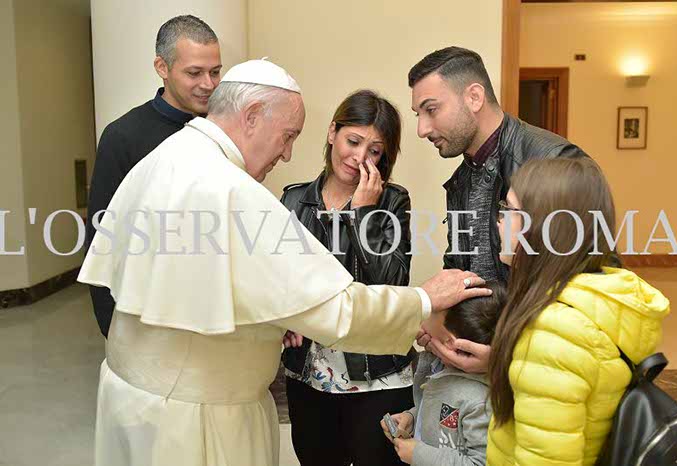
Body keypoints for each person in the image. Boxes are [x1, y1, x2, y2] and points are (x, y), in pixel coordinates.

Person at [78, 58, 492, 466]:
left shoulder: (168, 156)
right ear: (252, 116)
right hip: (192, 414)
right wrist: (423, 300)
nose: (289, 153)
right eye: (287, 135)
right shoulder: (233, 191)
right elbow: (335, 307)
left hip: (139, 399)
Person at [408, 46, 588, 372]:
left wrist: (509, 355)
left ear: (474, 97)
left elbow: (582, 291)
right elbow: (462, 269)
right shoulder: (462, 179)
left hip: (542, 368)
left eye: (431, 110)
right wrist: (440, 320)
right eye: (418, 115)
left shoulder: (554, 162)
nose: (422, 129)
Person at [486, 157, 670, 465]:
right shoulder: (601, 300)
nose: (499, 221)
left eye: (509, 209)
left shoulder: (553, 332)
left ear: (547, 228)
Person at [280, 90, 414, 466]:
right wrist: (285, 318)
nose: (359, 157)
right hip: (309, 374)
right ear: (332, 133)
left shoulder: (392, 202)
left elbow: (394, 285)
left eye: (374, 150)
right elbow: (278, 282)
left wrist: (364, 214)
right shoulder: (294, 201)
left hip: (378, 374)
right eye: (353, 141)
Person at [86, 14, 222, 337]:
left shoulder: (225, 129)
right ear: (162, 67)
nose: (208, 84)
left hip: (213, 310)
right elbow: (101, 238)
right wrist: (113, 329)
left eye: (215, 72)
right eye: (194, 73)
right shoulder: (123, 136)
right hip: (147, 316)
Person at [382, 283, 505, 466]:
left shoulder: (480, 402)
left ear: (450, 342)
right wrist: (413, 418)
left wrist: (418, 455)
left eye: (430, 314)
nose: (421, 324)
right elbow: (445, 416)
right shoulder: (440, 370)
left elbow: (479, 462)